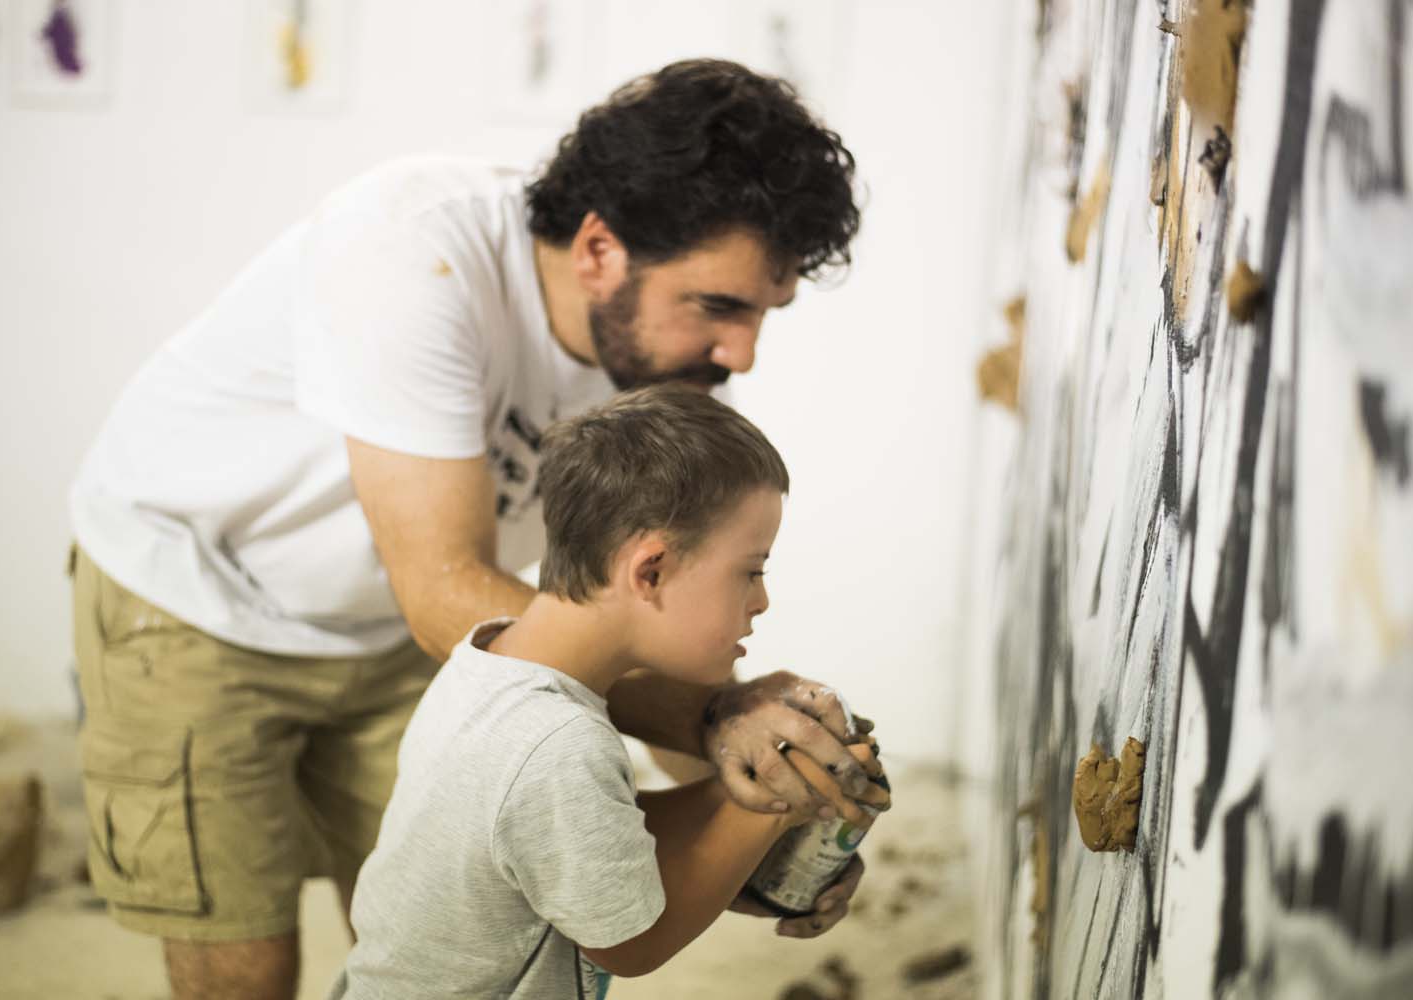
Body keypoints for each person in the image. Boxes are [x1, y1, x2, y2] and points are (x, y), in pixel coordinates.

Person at [68, 58, 868, 999]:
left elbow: (633, 613)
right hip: (197, 597)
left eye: (763, 314)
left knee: (457, 919)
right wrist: (726, 726)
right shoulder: (415, 255)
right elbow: (444, 589)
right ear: (600, 249)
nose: (740, 352)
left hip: (406, 630)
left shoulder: (655, 347)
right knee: (245, 961)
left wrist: (776, 810)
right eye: (719, 307)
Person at [331, 384, 889, 1000]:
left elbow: (601, 832)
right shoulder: (557, 743)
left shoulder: (489, 664)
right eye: (750, 571)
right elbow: (630, 942)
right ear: (650, 571)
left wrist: (772, 804)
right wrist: (776, 804)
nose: (761, 600)